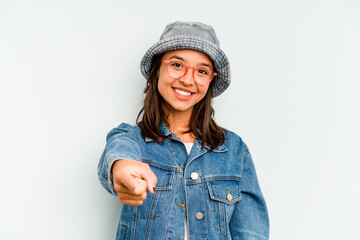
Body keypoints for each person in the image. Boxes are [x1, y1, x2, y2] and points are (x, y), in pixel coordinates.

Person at [98, 21, 269, 240]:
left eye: (201, 71)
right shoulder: (131, 138)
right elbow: (118, 157)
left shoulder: (235, 151)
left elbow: (251, 233)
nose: (188, 80)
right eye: (177, 65)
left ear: (210, 80)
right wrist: (122, 170)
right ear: (157, 69)